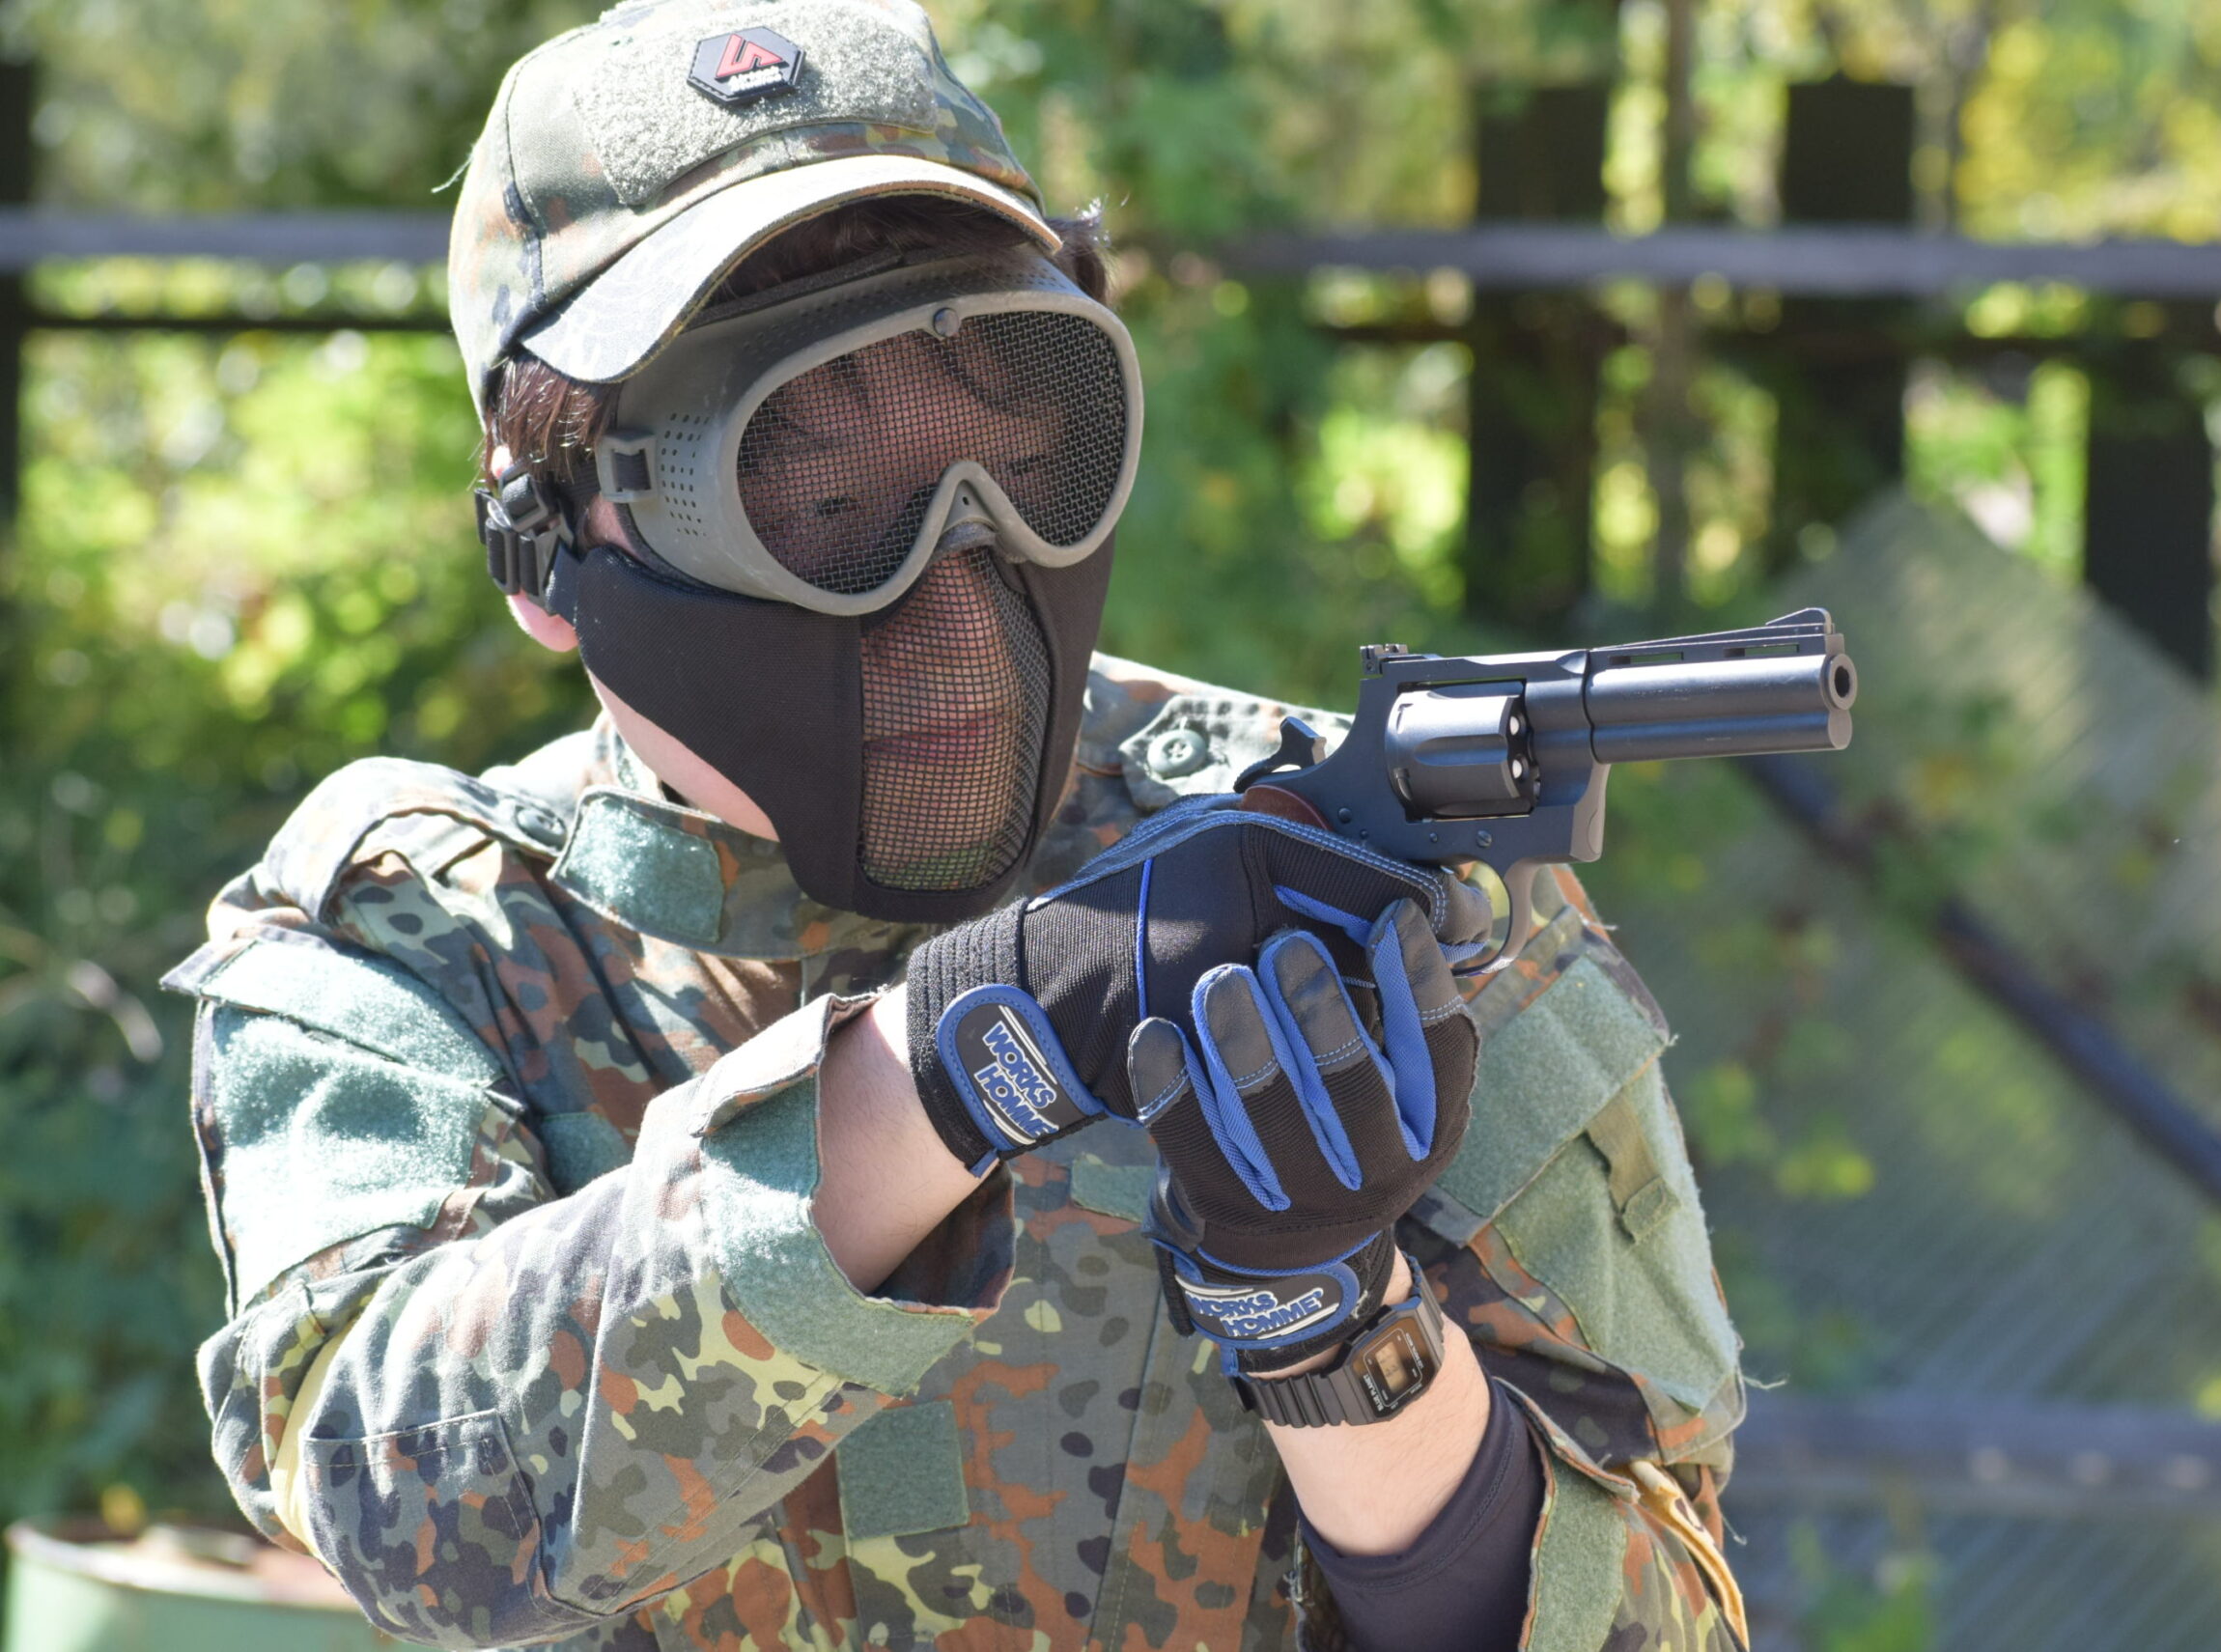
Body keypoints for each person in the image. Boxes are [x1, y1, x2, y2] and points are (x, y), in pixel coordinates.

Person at [167, 2, 1752, 1646]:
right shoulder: (424, 939)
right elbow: (401, 1504)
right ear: (546, 548)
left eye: (1021, 462)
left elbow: (1674, 1621)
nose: (954, 591)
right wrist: (961, 1054)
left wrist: (1331, 1328)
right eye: (816, 500)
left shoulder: (1337, 881)